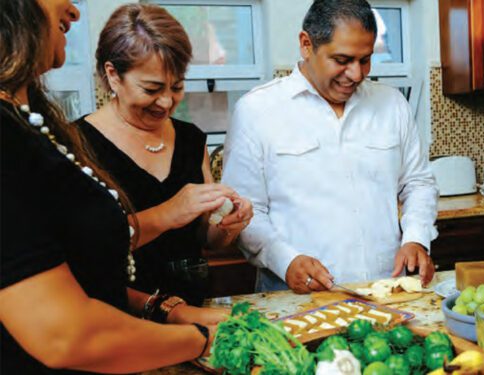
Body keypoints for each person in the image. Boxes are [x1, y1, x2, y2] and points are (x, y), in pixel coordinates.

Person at [0, 1, 227, 373]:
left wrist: (164, 309)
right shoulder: (13, 140)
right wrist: (202, 339)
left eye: (177, 86)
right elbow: (65, 335)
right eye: (152, 87)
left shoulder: (31, 129)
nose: (74, 10)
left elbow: (83, 275)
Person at [222, 0, 438, 293]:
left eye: (365, 59)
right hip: (296, 299)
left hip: (386, 291)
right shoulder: (256, 111)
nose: (356, 74)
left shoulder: (392, 105)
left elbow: (418, 183)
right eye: (342, 60)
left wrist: (415, 238)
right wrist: (286, 261)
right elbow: (246, 212)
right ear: (306, 44)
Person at [77, 3, 252, 305]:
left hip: (194, 307)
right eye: (151, 89)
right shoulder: (78, 145)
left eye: (178, 86)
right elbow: (84, 247)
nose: (167, 102)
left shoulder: (190, 138)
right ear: (113, 75)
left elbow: (203, 237)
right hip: (119, 313)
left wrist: (226, 226)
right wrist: (169, 212)